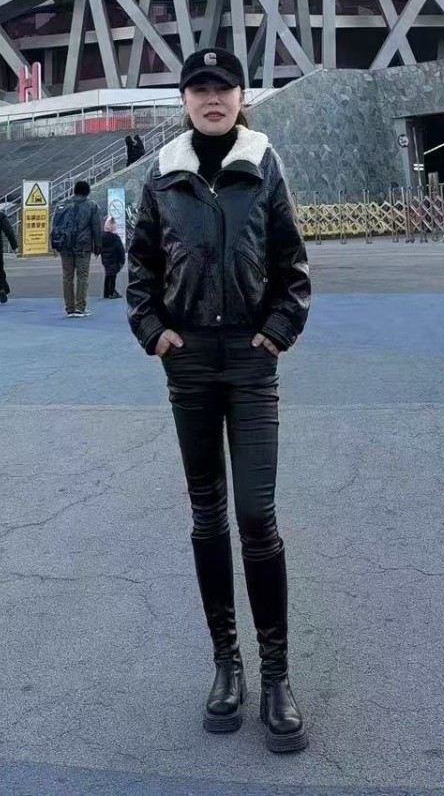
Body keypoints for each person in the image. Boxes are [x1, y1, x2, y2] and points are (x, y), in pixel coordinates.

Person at [126, 47, 312, 754]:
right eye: (200, 88)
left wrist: (278, 330)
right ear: (184, 100)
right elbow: (140, 267)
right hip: (191, 362)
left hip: (251, 361)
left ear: (240, 97)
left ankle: (276, 677)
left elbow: (293, 264)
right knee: (207, 517)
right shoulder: (163, 173)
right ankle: (227, 666)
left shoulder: (263, 164)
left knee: (256, 515)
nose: (212, 98)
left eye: (223, 87)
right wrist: (155, 332)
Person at [51, 179, 104, 317]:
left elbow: (55, 225)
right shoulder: (91, 205)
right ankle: (80, 307)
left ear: (75, 191)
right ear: (87, 192)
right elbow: (96, 227)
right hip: (83, 246)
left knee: (67, 276)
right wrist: (98, 245)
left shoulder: (63, 204)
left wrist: (55, 243)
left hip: (65, 245)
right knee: (82, 276)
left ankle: (69, 308)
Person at [100, 216, 125, 299]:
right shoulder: (115, 238)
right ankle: (111, 292)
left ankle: (106, 292)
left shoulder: (102, 237)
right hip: (114, 260)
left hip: (105, 260)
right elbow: (121, 250)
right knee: (113, 276)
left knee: (108, 275)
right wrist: (122, 261)